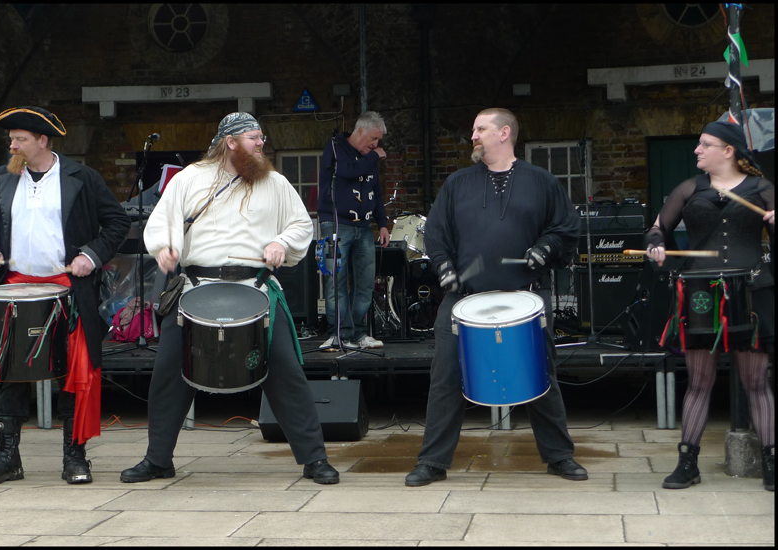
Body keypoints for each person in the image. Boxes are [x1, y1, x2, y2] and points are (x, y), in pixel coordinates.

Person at [120, 112, 340, 484]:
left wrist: (281, 242)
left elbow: (301, 223)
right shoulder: (190, 178)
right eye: (254, 138)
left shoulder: (274, 182)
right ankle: (158, 460)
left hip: (257, 289)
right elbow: (163, 221)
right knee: (169, 375)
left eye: (261, 137)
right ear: (231, 142)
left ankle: (314, 459)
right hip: (195, 289)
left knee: (286, 373)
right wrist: (167, 248)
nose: (261, 143)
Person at [405, 108, 588, 486]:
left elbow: (566, 227)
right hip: (464, 300)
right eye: (474, 129)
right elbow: (436, 233)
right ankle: (432, 462)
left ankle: (559, 456)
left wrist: (546, 247)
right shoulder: (457, 183)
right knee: (445, 379)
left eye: (481, 129)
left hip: (526, 298)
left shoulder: (541, 181)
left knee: (541, 376)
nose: (473, 135)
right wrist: (444, 266)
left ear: (504, 133)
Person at [0, 106, 130, 485]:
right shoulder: (1, 179)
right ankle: (7, 457)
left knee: (73, 373)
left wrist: (91, 255)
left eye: (20, 139)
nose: (12, 145)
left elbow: (117, 221)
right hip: (15, 289)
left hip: (67, 290)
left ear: (42, 140)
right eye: (12, 139)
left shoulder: (81, 177)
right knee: (11, 373)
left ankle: (75, 457)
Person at [645, 120, 774, 491]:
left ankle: (771, 460)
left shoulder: (762, 189)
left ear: (728, 151)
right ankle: (687, 463)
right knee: (699, 381)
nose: (697, 149)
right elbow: (657, 228)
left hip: (751, 290)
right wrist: (656, 244)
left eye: (705, 144)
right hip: (701, 293)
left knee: (756, 382)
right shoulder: (689, 188)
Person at [317, 111, 391, 350]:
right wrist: (374, 157)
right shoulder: (335, 147)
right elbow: (348, 170)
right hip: (336, 223)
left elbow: (376, 191)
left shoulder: (368, 157)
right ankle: (338, 334)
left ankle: (359, 333)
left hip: (363, 225)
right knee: (336, 282)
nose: (375, 145)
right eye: (373, 139)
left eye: (378, 141)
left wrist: (382, 223)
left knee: (365, 282)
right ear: (359, 131)